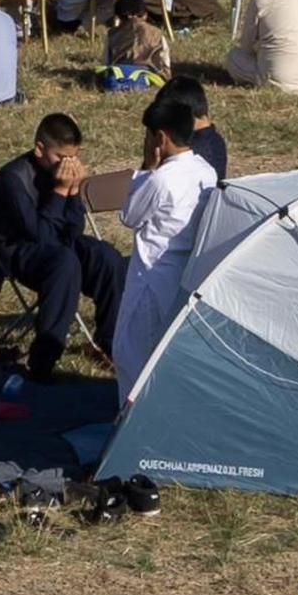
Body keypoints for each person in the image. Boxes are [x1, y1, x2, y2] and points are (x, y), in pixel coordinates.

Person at [0, 114, 125, 392]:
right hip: (16, 249)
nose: (68, 165)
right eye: (61, 157)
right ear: (39, 150)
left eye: (74, 157)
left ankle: (111, 343)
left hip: (56, 244)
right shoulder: (13, 179)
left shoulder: (58, 173)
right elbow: (40, 236)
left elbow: (73, 229)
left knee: (105, 256)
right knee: (65, 263)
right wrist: (60, 191)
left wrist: (73, 193)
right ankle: (44, 359)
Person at [111, 107, 220, 405]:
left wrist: (147, 169)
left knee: (131, 356)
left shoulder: (162, 179)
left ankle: (129, 430)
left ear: (160, 137)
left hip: (150, 276)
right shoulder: (206, 171)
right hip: (184, 275)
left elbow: (130, 216)